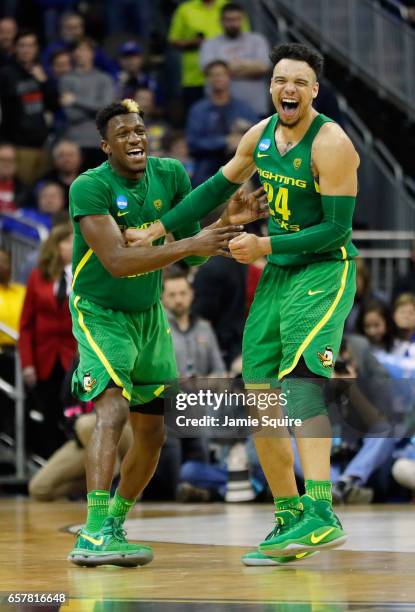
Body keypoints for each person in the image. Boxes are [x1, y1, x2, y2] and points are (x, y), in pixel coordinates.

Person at [129, 43, 360, 566]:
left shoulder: (333, 145)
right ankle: (289, 516)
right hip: (279, 273)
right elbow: (214, 187)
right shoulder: (259, 136)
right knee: (259, 395)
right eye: (281, 80)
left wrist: (263, 245)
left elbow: (337, 230)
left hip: (324, 270)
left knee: (301, 381)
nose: (289, 89)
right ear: (271, 86)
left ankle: (322, 512)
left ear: (315, 91)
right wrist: (160, 228)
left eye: (300, 82)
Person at [66, 97, 265, 568]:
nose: (135, 138)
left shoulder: (171, 175)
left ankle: (114, 519)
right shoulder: (88, 187)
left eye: (139, 130)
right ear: (105, 147)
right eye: (123, 134)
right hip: (101, 310)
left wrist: (224, 225)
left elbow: (193, 255)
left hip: (149, 315)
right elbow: (115, 262)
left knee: (153, 433)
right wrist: (193, 242)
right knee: (111, 407)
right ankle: (93, 530)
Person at [19, 223, 76, 458]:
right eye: (69, 241)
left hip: (75, 357)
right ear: (57, 245)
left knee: (74, 416)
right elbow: (26, 325)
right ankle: (50, 466)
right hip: (44, 358)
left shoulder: (86, 275)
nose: (74, 246)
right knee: (49, 415)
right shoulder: (38, 277)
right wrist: (28, 363)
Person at [0, 30, 60, 183]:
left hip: (43, 145)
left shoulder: (42, 73)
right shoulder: (6, 73)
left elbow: (54, 105)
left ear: (36, 49)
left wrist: (44, 82)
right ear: (15, 48)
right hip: (18, 146)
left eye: (30, 45)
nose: (26, 50)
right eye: (22, 45)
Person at [187, 60, 257, 186]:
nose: (218, 78)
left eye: (221, 74)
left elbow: (262, 138)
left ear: (229, 77)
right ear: (207, 79)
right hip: (208, 166)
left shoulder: (244, 108)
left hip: (241, 165)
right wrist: (226, 141)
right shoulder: (198, 109)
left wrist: (247, 130)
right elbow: (193, 143)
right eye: (213, 75)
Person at [200, 2, 270, 117]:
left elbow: (264, 67)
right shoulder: (209, 44)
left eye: (237, 19)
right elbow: (209, 70)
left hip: (255, 107)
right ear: (220, 21)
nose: (233, 23)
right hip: (220, 109)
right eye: (228, 20)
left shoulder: (257, 40)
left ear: (243, 20)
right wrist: (249, 65)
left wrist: (225, 69)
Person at [59, 38, 115, 170]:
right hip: (75, 144)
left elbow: (107, 111)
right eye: (77, 50)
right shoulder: (66, 79)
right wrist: (97, 108)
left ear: (92, 53)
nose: (80, 53)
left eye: (84, 49)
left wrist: (75, 100)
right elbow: (71, 115)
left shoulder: (104, 79)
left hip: (100, 143)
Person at [38, 140, 82, 206]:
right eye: (61, 156)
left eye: (71, 155)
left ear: (79, 159)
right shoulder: (45, 181)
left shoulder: (90, 181)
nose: (67, 159)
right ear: (55, 161)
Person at [0, 142, 30, 212]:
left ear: (17, 164)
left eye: (11, 160)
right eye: (3, 160)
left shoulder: (25, 191)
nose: (6, 164)